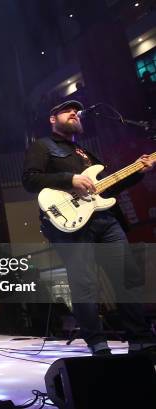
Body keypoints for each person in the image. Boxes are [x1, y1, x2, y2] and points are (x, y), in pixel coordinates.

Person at [22, 99, 155, 355]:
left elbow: (109, 187)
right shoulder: (42, 146)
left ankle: (141, 339)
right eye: (66, 110)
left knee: (126, 276)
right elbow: (30, 180)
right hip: (70, 225)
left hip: (105, 220)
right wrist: (69, 179)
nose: (74, 112)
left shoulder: (85, 153)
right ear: (52, 119)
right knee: (84, 283)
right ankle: (97, 343)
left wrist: (140, 171)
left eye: (75, 111)